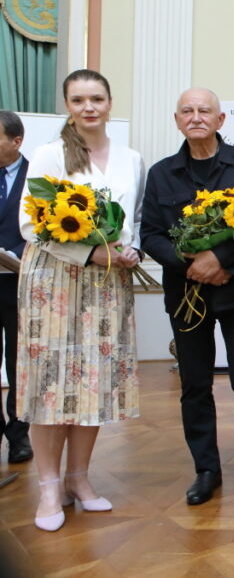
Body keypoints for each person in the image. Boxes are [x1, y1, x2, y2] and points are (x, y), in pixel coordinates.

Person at [17, 70, 145, 531]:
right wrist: (89, 251)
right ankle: (49, 486)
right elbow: (31, 226)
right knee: (51, 384)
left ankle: (78, 480)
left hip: (107, 283)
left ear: (110, 102)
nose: (88, 107)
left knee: (92, 381)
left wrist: (130, 249)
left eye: (96, 99)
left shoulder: (131, 158)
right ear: (67, 106)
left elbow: (135, 221)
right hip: (53, 282)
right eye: (78, 100)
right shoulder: (50, 155)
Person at [140, 88, 234, 508]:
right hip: (187, 297)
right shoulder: (162, 173)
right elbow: (150, 235)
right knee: (195, 385)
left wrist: (220, 258)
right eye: (187, 111)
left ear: (220, 119)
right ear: (177, 120)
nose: (196, 117)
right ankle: (207, 470)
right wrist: (190, 264)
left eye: (204, 111)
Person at [0, 111, 31, 465]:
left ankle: (19, 436)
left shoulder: (37, 176)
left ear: (16, 141)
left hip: (23, 284)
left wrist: (21, 254)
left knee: (18, 364)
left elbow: (47, 224)